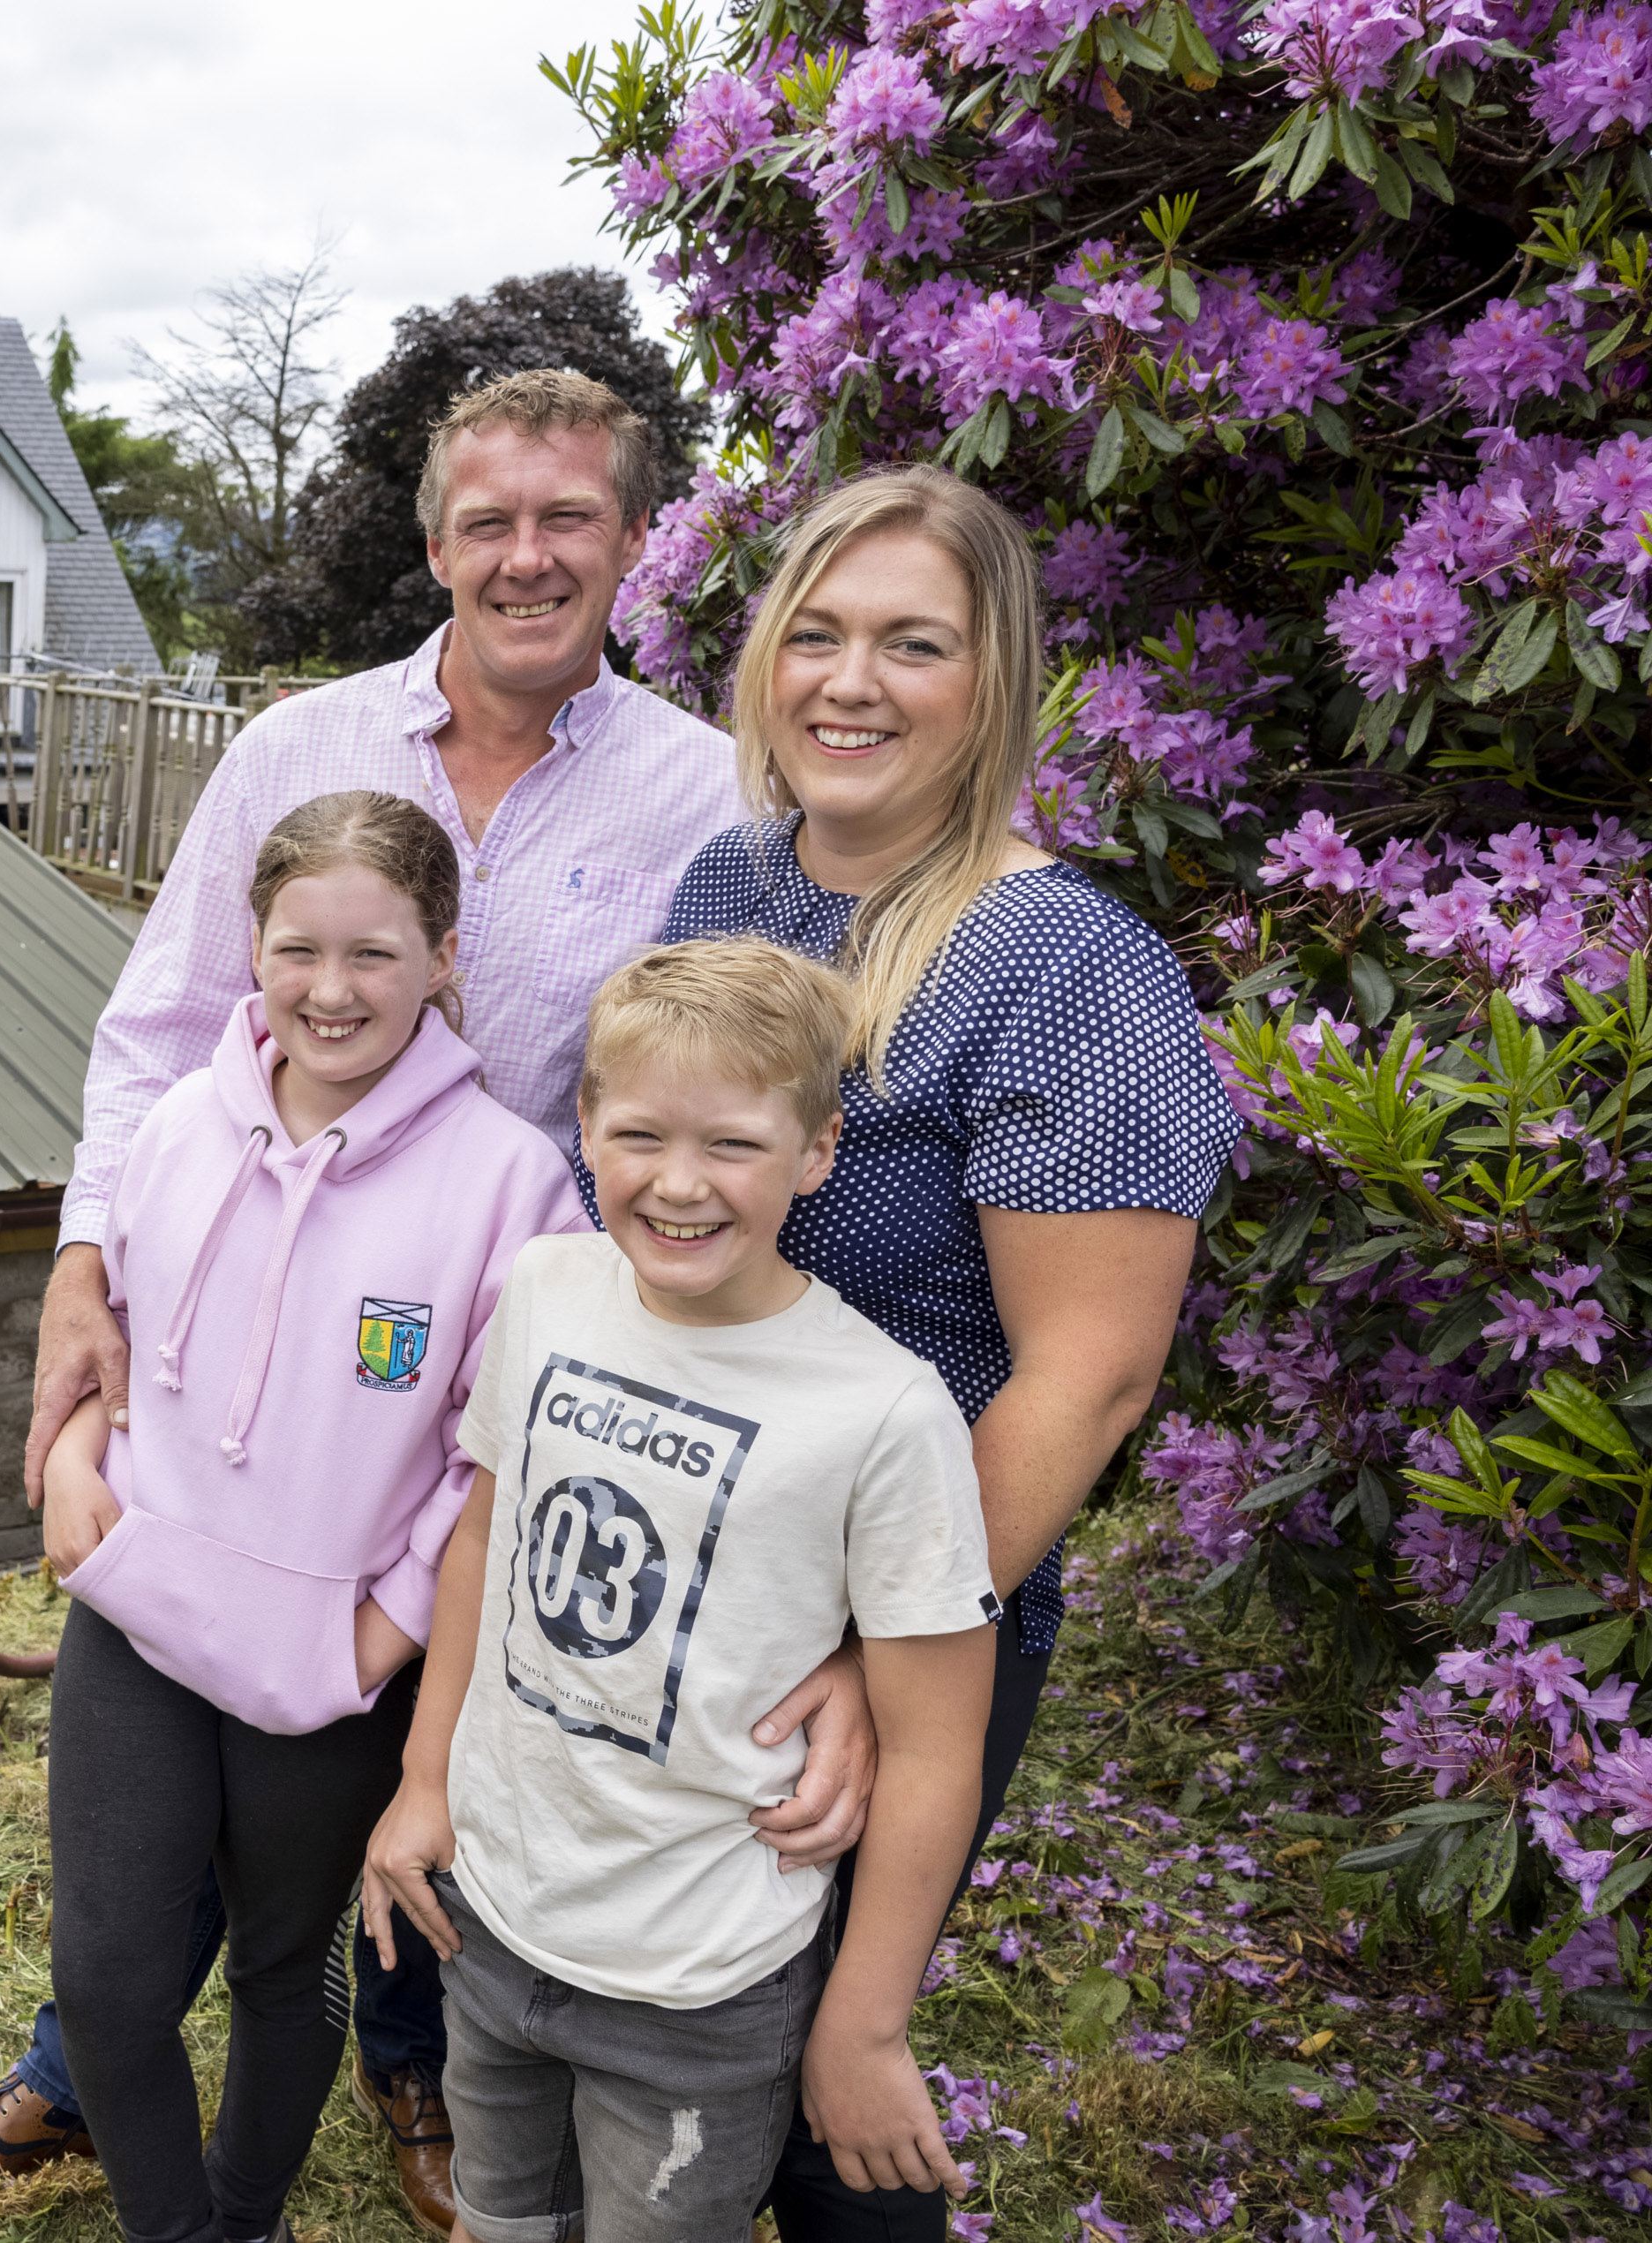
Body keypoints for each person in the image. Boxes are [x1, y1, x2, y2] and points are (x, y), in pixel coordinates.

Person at [0, 372, 881, 2236]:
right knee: (169, 1783)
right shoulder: (298, 750)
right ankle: (85, 2069)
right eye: (488, 520)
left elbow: (749, 1070)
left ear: (634, 545)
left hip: (525, 1378)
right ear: (435, 544)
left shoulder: (703, 797)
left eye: (568, 518)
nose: (527, 555)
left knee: (441, 1744)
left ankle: (419, 2062)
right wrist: (86, 1266)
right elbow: (162, 1031)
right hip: (265, 1367)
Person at [641, 464, 1241, 2233]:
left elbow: (1092, 1373)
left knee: (833, 2070)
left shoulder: (1062, 960)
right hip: (704, 1544)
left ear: (994, 684)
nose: (849, 682)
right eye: (814, 634)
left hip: (906, 1585)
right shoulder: (735, 873)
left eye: (914, 643)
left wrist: (883, 1642)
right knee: (679, 2027)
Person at [362, 937, 1002, 2238]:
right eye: (640, 1133)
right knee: (500, 2221)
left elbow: (938, 1747)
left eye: (735, 1146)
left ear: (818, 1151)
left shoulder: (884, 1410)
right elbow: (486, 1539)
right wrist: (425, 1785)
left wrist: (865, 2025)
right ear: (584, 1122)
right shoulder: (547, 1288)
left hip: (700, 1981)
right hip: (492, 1920)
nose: (678, 1184)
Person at [39, 792, 585, 2243]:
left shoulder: (515, 1188)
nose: (331, 992)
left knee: (286, 1971)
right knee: (105, 1980)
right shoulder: (174, 1130)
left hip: (326, 1665)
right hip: (142, 1608)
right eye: (298, 950)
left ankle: (245, 2213)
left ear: (444, 957)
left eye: (375, 955)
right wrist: (76, 1465)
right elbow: (118, 1335)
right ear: (254, 951)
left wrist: (388, 1622)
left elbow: (498, 1462)